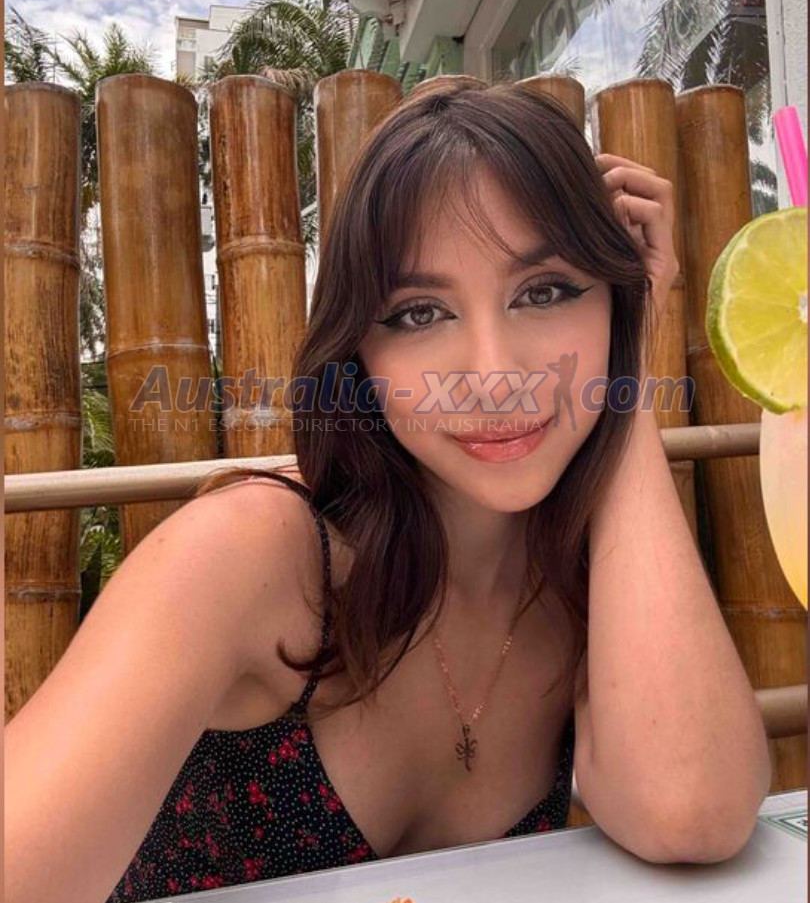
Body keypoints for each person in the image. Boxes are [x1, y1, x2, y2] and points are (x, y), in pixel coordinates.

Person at [5, 82, 771, 903]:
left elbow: (691, 810)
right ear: (358, 353)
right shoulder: (250, 553)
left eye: (545, 291)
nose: (495, 377)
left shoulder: (588, 571)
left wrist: (628, 377)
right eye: (419, 312)